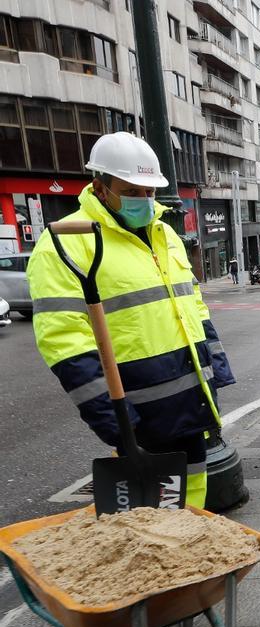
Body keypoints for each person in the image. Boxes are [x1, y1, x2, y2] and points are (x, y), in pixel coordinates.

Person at [27, 132, 234, 508]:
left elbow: (193, 304)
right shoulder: (66, 243)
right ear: (99, 187)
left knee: (193, 501)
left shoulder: (165, 234)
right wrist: (114, 419)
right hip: (139, 412)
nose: (144, 200)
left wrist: (215, 369)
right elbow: (65, 341)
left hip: (191, 402)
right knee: (150, 515)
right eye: (131, 191)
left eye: (149, 191)